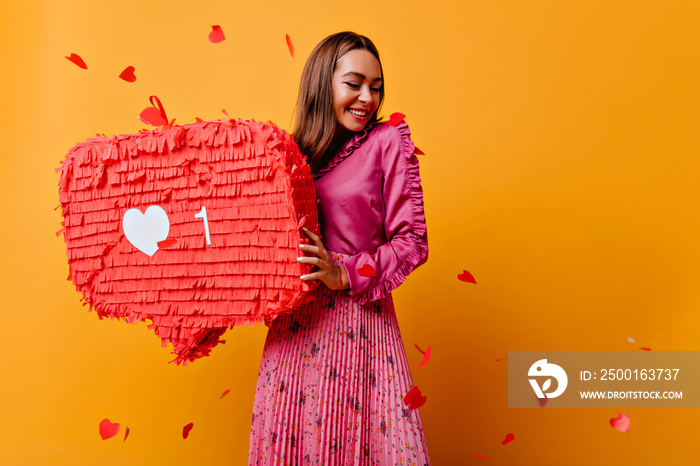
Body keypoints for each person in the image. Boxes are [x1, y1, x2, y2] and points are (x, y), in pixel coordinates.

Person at [249, 31, 431, 465]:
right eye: (354, 83)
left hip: (359, 325)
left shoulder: (386, 143)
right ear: (322, 84)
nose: (368, 98)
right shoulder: (289, 156)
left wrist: (344, 272)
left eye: (376, 86)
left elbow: (413, 242)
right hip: (293, 332)